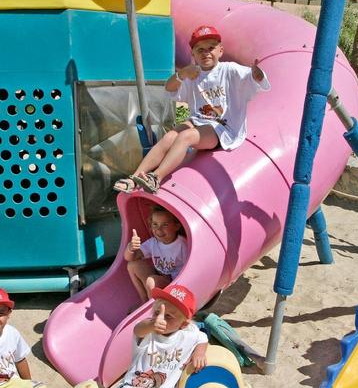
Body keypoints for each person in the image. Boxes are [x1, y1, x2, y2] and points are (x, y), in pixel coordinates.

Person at [113, 24, 270, 194]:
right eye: (200, 49)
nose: (206, 53)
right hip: (198, 121)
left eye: (211, 48)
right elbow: (169, 89)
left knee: (185, 136)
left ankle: (156, 177)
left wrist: (257, 74)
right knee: (169, 137)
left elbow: (254, 79)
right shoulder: (193, 74)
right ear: (193, 54)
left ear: (220, 50)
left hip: (224, 128)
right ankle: (135, 177)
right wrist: (182, 74)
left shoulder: (229, 70)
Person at [124, 205, 187, 302]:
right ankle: (144, 301)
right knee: (132, 265)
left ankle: (151, 307)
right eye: (155, 224)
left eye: (165, 225)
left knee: (151, 281)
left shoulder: (182, 244)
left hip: (174, 285)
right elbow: (130, 258)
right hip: (159, 277)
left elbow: (191, 268)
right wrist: (131, 248)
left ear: (177, 226)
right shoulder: (153, 242)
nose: (159, 229)